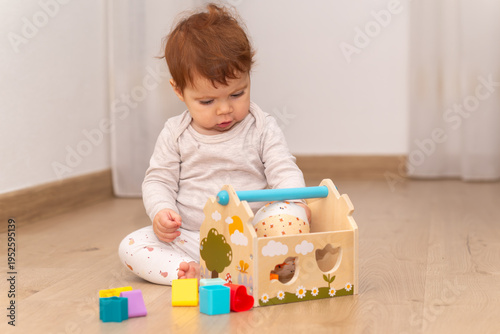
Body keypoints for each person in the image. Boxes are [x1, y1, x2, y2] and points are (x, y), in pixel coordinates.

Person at [118, 3, 310, 285]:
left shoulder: (261, 126)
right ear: (178, 91)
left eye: (237, 94)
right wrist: (161, 211)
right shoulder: (175, 133)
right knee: (131, 246)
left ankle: (257, 264)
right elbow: (158, 180)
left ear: (248, 77)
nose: (224, 110)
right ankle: (192, 271)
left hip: (254, 234)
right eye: (207, 101)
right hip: (194, 239)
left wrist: (296, 200)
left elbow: (283, 169)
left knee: (289, 212)